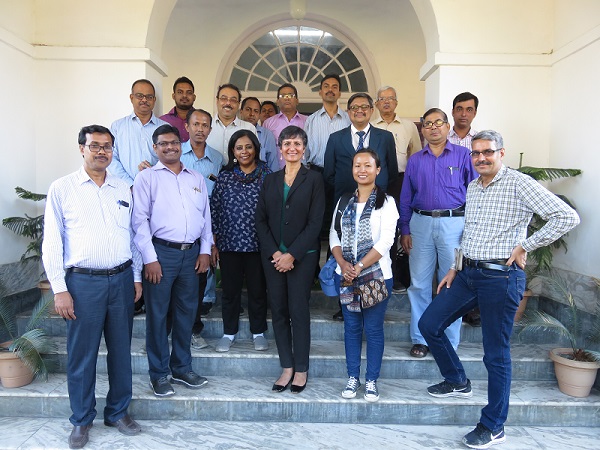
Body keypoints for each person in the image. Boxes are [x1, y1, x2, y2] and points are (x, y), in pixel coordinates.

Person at [419, 130, 580, 449]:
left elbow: (566, 216)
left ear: (501, 153)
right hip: (468, 274)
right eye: (475, 153)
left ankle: (493, 425)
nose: (480, 158)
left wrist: (526, 246)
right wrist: (454, 265)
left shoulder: (520, 184)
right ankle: (457, 380)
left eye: (487, 152)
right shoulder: (473, 188)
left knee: (495, 355)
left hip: (501, 278)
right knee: (429, 324)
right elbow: (470, 232)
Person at [42, 125, 143, 449]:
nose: (102, 152)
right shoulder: (63, 189)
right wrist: (60, 288)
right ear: (81, 149)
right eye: (95, 146)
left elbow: (134, 235)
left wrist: (137, 276)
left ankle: (117, 411)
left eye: (107, 147)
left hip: (122, 279)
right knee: (82, 356)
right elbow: (52, 242)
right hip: (83, 283)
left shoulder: (123, 188)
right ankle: (82, 420)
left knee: (120, 352)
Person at [132, 124, 212, 397]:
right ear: (155, 148)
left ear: (181, 144)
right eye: (163, 143)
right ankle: (159, 373)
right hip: (161, 255)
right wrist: (149, 258)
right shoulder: (146, 178)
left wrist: (205, 249)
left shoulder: (196, 178)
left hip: (191, 255)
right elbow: (139, 221)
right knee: (157, 315)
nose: (169, 147)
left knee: (186, 313)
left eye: (174, 142)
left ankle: (182, 367)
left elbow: (206, 218)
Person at [399, 108, 477, 359]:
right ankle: (420, 338)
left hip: (454, 225)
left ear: (447, 126)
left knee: (452, 284)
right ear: (422, 129)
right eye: (428, 124)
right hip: (420, 224)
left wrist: (470, 230)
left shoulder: (464, 155)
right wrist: (405, 228)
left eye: (438, 123)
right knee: (419, 284)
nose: (433, 127)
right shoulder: (415, 160)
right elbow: (406, 196)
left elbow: (475, 194)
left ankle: (448, 340)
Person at [255, 125, 325, 394]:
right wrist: (276, 253)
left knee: (298, 310)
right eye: (287, 144)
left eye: (297, 144)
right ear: (280, 149)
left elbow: (316, 221)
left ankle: (302, 368)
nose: (292, 148)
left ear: (304, 148)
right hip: (273, 258)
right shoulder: (270, 180)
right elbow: (260, 220)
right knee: (280, 311)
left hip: (302, 258)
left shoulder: (314, 179)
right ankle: (286, 366)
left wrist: (291, 254)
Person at [330, 148, 398, 402]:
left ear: (377, 170)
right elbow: (334, 235)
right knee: (351, 328)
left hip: (376, 276)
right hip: (346, 275)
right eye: (357, 165)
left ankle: (371, 380)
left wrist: (358, 266)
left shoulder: (387, 202)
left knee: (373, 329)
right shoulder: (343, 200)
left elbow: (386, 241)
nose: (362, 169)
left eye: (368, 165)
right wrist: (342, 263)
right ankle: (352, 377)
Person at [211, 130, 271, 352]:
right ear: (233, 152)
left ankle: (258, 331)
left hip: (258, 244)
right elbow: (215, 210)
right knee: (230, 291)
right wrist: (214, 243)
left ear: (255, 148)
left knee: (257, 290)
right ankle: (229, 332)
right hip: (229, 244)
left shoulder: (267, 174)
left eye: (248, 147)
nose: (244, 151)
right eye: (239, 148)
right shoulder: (225, 176)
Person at [180, 108, 225, 348]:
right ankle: (172, 331)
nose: (200, 129)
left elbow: (219, 198)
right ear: (186, 126)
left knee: (199, 280)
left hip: (205, 228)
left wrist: (214, 239)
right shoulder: (176, 154)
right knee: (179, 284)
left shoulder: (218, 159)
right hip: (178, 228)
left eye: (205, 125)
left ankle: (194, 330)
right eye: (195, 124)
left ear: (210, 129)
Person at [372, 85, 423, 294]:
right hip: (374, 181)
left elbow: (416, 155)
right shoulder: (370, 124)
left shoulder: (409, 126)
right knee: (374, 227)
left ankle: (391, 274)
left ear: (396, 102)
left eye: (390, 98)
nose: (386, 102)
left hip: (400, 182)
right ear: (376, 104)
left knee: (393, 228)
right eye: (382, 99)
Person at [324, 93, 398, 205]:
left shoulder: (385, 137)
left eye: (364, 107)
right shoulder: (335, 138)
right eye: (354, 108)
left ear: (372, 110)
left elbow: (392, 172)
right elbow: (329, 174)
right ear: (348, 112)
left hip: (378, 198)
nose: (359, 110)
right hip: (345, 198)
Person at [109, 79, 168, 186]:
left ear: (154, 100)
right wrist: (130, 185)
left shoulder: (165, 127)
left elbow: (171, 159)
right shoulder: (118, 127)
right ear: (131, 98)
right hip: (126, 189)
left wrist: (156, 174)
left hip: (159, 187)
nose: (144, 100)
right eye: (140, 96)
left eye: (149, 97)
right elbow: (112, 158)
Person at [262, 83, 308, 169]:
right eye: (283, 95)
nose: (287, 98)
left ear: (297, 100)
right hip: (276, 173)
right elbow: (265, 150)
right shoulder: (268, 123)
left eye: (291, 95)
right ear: (277, 101)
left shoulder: (307, 121)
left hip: (303, 173)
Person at [205, 83, 256, 161]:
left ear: (238, 104)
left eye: (233, 100)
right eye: (224, 98)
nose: (228, 103)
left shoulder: (249, 128)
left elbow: (255, 159)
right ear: (217, 101)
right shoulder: (205, 127)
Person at [240, 96, 279, 172]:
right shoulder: (233, 131)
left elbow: (272, 163)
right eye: (248, 110)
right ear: (241, 111)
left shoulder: (267, 135)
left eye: (256, 111)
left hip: (261, 180)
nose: (252, 114)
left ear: (259, 114)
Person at [160, 76, 196, 142]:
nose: (184, 95)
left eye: (189, 92)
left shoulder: (201, 121)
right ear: (173, 96)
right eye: (180, 92)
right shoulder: (162, 121)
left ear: (194, 97)